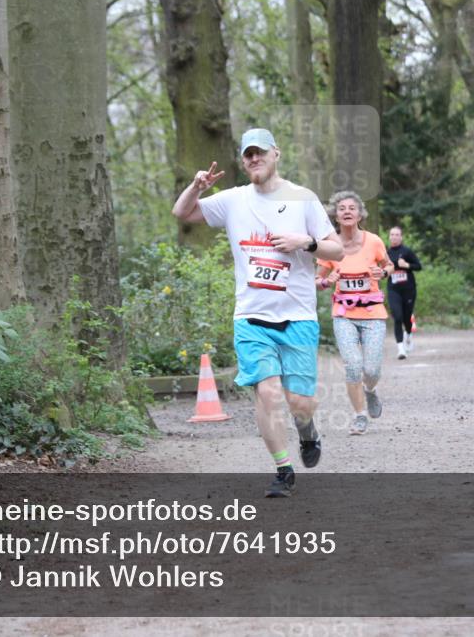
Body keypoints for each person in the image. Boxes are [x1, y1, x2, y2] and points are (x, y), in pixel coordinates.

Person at [172, 128, 343, 498]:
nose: (253, 159)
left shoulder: (303, 199)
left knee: (299, 402)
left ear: (275, 154)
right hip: (251, 317)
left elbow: (337, 251)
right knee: (267, 394)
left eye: (259, 152)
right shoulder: (233, 200)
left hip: (297, 316)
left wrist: (306, 242)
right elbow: (182, 213)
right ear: (243, 160)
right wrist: (196, 186)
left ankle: (307, 431)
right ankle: (283, 470)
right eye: (247, 154)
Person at [317, 192, 394, 436]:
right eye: (342, 208)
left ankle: (370, 390)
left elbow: (389, 265)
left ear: (360, 214)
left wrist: (383, 274)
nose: (347, 211)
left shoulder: (373, 242)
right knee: (352, 366)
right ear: (335, 215)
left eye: (352, 208)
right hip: (344, 315)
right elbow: (317, 279)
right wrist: (326, 281)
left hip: (373, 314)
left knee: (371, 370)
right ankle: (360, 415)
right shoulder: (329, 246)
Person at [386, 226, 422, 359]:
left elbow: (418, 266)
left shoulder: (407, 251)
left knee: (407, 317)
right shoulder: (387, 253)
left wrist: (407, 265)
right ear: (389, 237)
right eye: (392, 234)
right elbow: (383, 269)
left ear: (401, 237)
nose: (394, 237)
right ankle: (401, 349)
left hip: (408, 290)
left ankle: (409, 334)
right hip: (393, 289)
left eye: (397, 234)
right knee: (397, 316)